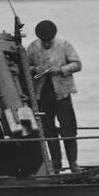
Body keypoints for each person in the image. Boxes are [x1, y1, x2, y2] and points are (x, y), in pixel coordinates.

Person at [26, 19, 82, 174]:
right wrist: (33, 69)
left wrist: (60, 70)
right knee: (48, 129)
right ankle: (56, 163)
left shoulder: (64, 45)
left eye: (48, 41)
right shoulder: (32, 47)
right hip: (42, 94)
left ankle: (73, 163)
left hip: (62, 93)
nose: (45, 44)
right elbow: (24, 66)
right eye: (43, 41)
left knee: (68, 128)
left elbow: (77, 64)